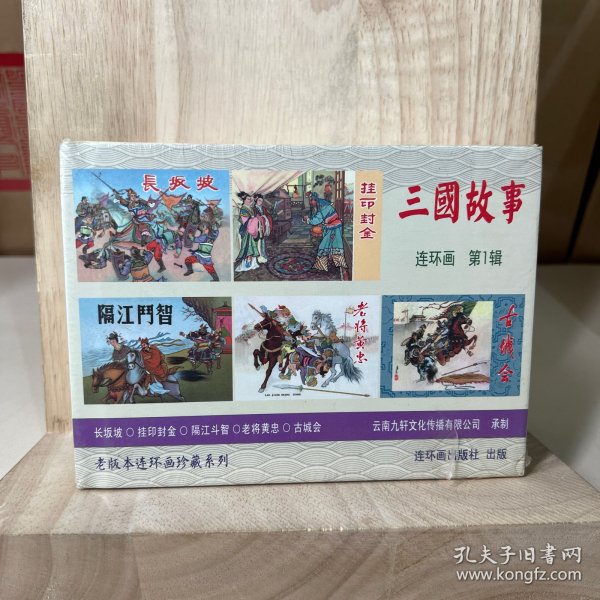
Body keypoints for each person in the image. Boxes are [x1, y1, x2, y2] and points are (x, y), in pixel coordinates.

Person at [303, 193, 348, 279]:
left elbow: (317, 219)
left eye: (312, 200)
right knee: (334, 245)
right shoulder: (322, 204)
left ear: (315, 200)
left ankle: (322, 267)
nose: (311, 202)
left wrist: (308, 219)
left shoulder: (323, 207)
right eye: (310, 200)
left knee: (324, 245)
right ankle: (335, 264)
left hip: (333, 227)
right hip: (334, 226)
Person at [234, 192, 269, 272]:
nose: (250, 200)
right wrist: (255, 219)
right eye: (248, 199)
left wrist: (257, 219)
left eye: (250, 199)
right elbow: (244, 221)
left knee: (254, 246)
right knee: (248, 247)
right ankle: (247, 263)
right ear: (244, 200)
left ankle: (253, 263)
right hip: (247, 231)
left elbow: (253, 218)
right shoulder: (243, 209)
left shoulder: (249, 208)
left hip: (253, 229)